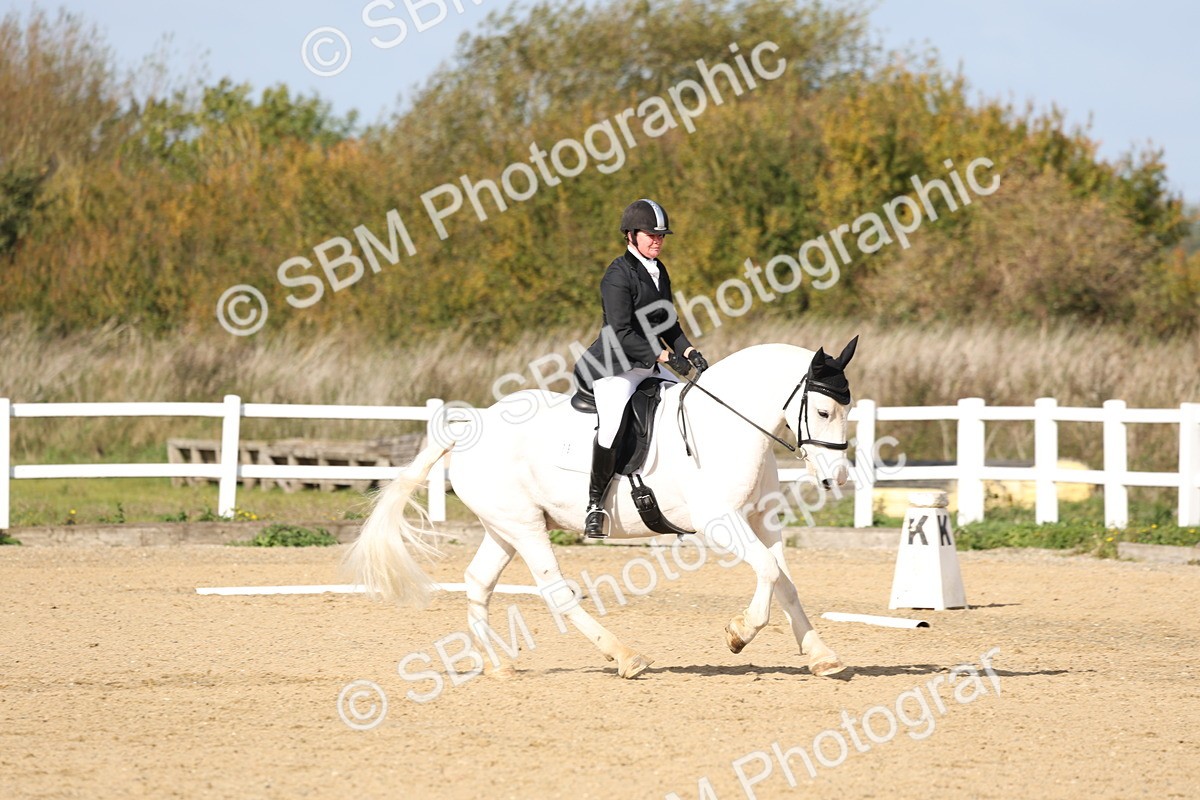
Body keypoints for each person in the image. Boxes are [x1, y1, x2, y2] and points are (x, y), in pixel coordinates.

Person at [572, 198, 708, 538]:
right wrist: (663, 358)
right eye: (651, 235)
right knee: (612, 424)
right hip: (614, 365)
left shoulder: (659, 271)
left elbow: (668, 324)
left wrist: (688, 350)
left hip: (647, 363)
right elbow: (620, 332)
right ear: (631, 235)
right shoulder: (617, 275)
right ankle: (595, 505)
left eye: (661, 236)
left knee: (684, 408)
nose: (658, 241)